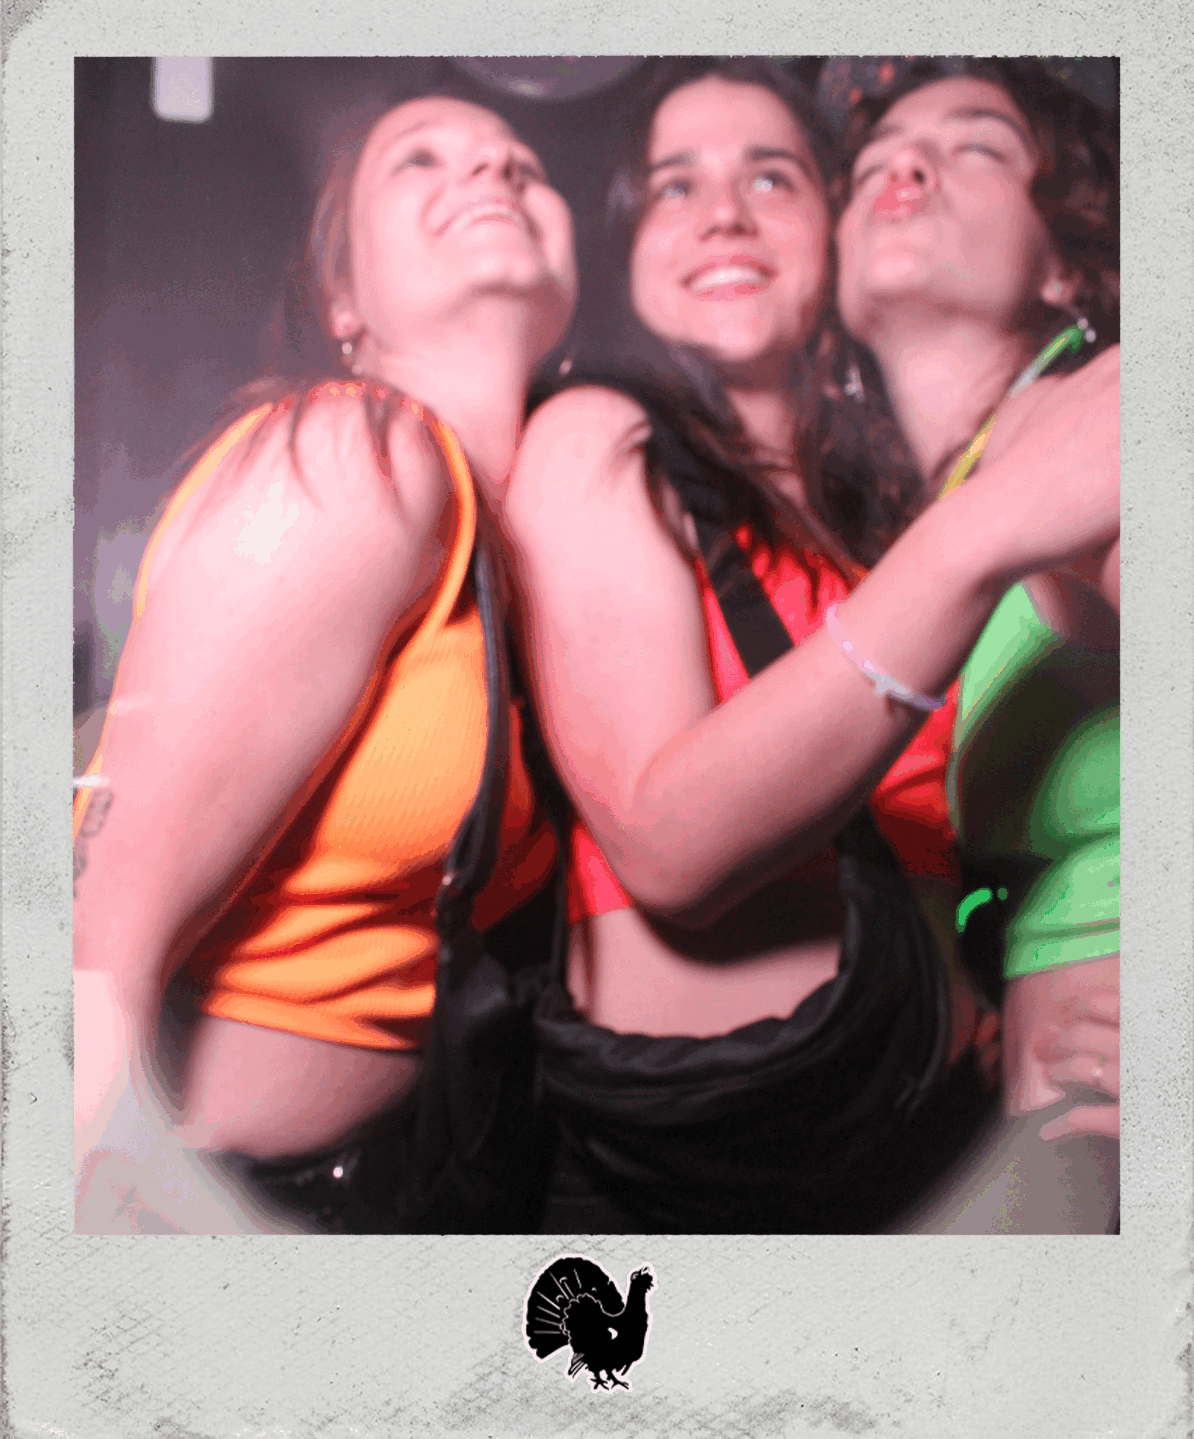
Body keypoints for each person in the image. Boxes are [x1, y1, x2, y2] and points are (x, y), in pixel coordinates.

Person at [502, 58, 1120, 1232]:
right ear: (631, 254)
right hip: (701, 1172)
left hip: (928, 1145)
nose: (723, 214)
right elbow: (667, 843)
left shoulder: (884, 523)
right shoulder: (601, 434)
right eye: (675, 186)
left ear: (832, 237)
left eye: (771, 177)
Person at [72, 93, 577, 1232]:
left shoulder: (514, 544)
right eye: (421, 160)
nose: (490, 173)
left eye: (520, 163)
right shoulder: (363, 451)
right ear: (344, 299)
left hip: (384, 1198)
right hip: (195, 1203)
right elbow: (102, 925)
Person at [834, 58, 1120, 1231]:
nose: (905, 163)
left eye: (976, 144)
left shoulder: (1084, 419)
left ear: (1064, 265)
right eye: (875, 157)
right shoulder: (943, 506)